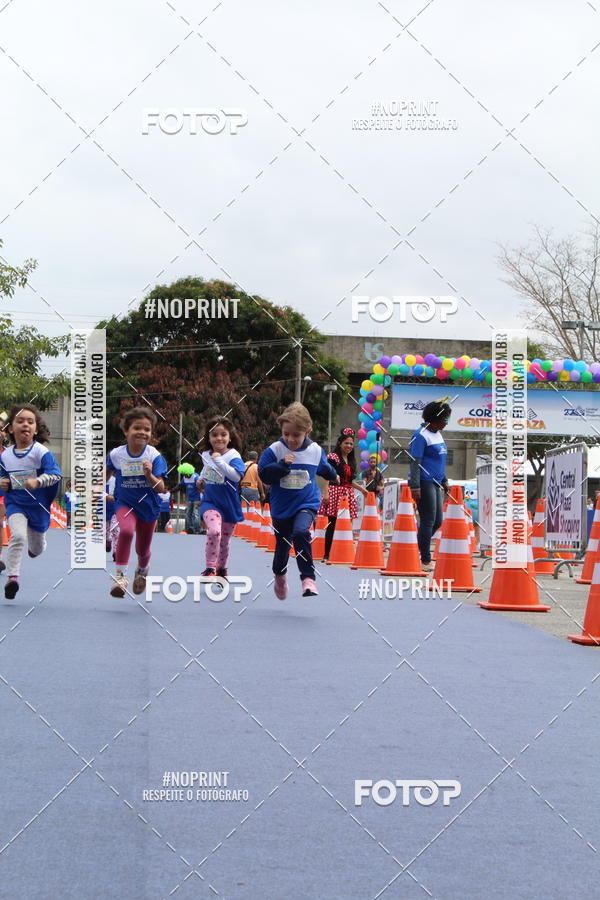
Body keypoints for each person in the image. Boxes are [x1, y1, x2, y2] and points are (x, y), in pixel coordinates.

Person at [258, 402, 339, 598]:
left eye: (296, 435)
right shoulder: (275, 450)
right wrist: (281, 466)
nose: (291, 439)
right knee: (282, 548)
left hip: (306, 503)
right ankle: (279, 575)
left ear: (307, 431)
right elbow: (264, 474)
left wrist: (334, 475)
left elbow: (324, 467)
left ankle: (308, 579)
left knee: (301, 532)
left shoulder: (315, 450)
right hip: (281, 507)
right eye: (286, 434)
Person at [0, 404, 62, 599]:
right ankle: (13, 578)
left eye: (30, 421)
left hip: (39, 506)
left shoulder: (41, 452)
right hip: (16, 504)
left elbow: (55, 475)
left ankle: (36, 548)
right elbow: (3, 477)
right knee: (17, 536)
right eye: (20, 421)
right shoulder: (6, 455)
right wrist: (3, 483)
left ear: (36, 429)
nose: (25, 425)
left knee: (36, 548)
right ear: (11, 428)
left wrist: (38, 481)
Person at [106, 406, 167, 597]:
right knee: (124, 531)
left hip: (148, 506)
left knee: (142, 548)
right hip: (125, 503)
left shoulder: (154, 456)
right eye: (137, 428)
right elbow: (106, 473)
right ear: (126, 431)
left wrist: (149, 474)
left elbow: (161, 487)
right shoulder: (116, 454)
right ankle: (120, 578)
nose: (142, 432)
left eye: (147, 429)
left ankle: (142, 569)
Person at [198, 416, 245, 579]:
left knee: (224, 542)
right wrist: (200, 479)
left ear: (230, 437)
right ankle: (210, 568)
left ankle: (222, 568)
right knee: (213, 532)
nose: (219, 438)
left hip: (229, 505)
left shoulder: (233, 455)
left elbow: (236, 477)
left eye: (223, 434)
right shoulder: (205, 454)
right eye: (214, 435)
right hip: (210, 502)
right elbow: (207, 471)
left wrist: (219, 462)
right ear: (209, 438)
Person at [408, 398, 451, 572]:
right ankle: (425, 560)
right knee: (428, 521)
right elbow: (414, 462)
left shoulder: (438, 434)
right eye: (445, 419)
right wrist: (415, 486)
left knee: (437, 521)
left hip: (436, 483)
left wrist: (445, 480)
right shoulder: (420, 435)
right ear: (435, 419)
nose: (447, 423)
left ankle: (416, 548)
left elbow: (439, 462)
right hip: (424, 483)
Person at [318, 427, 367, 562]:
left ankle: (342, 553)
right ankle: (327, 554)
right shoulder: (333, 457)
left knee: (346, 525)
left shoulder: (351, 460)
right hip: (335, 491)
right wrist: (326, 491)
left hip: (347, 493)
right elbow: (328, 475)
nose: (349, 446)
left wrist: (363, 490)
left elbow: (350, 481)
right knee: (332, 524)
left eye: (351, 444)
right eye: (346, 443)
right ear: (340, 443)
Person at [179, 466, 202, 534]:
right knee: (188, 514)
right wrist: (171, 490)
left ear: (188, 472)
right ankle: (190, 528)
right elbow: (180, 486)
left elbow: (201, 486)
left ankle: (197, 529)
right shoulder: (184, 478)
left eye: (185, 474)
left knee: (195, 514)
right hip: (189, 499)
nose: (184, 475)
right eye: (183, 474)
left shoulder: (196, 477)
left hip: (196, 499)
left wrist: (201, 499)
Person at [105, 474, 119, 555]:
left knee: (116, 529)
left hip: (115, 508)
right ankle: (108, 540)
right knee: (106, 529)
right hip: (104, 507)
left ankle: (116, 551)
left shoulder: (117, 480)